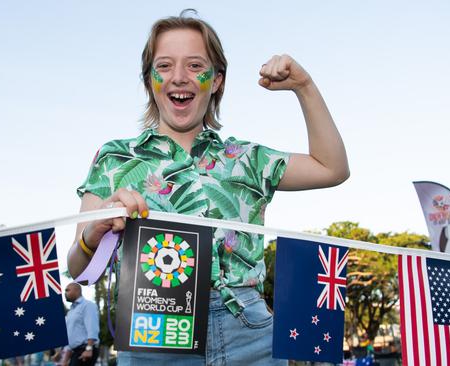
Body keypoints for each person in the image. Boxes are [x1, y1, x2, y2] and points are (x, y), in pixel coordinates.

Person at [68, 9, 349, 365]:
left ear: (216, 81)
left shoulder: (246, 158)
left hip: (251, 332)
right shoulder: (115, 158)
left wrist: (304, 87)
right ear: (150, 79)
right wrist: (93, 233)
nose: (180, 78)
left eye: (196, 66)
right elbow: (78, 269)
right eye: (165, 66)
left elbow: (333, 168)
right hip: (153, 335)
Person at [62, 282, 100, 366]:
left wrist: (89, 349)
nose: (65, 293)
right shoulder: (71, 312)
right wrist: (65, 360)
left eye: (67, 290)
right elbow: (70, 337)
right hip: (76, 352)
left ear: (77, 290)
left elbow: (92, 327)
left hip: (86, 350)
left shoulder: (87, 305)